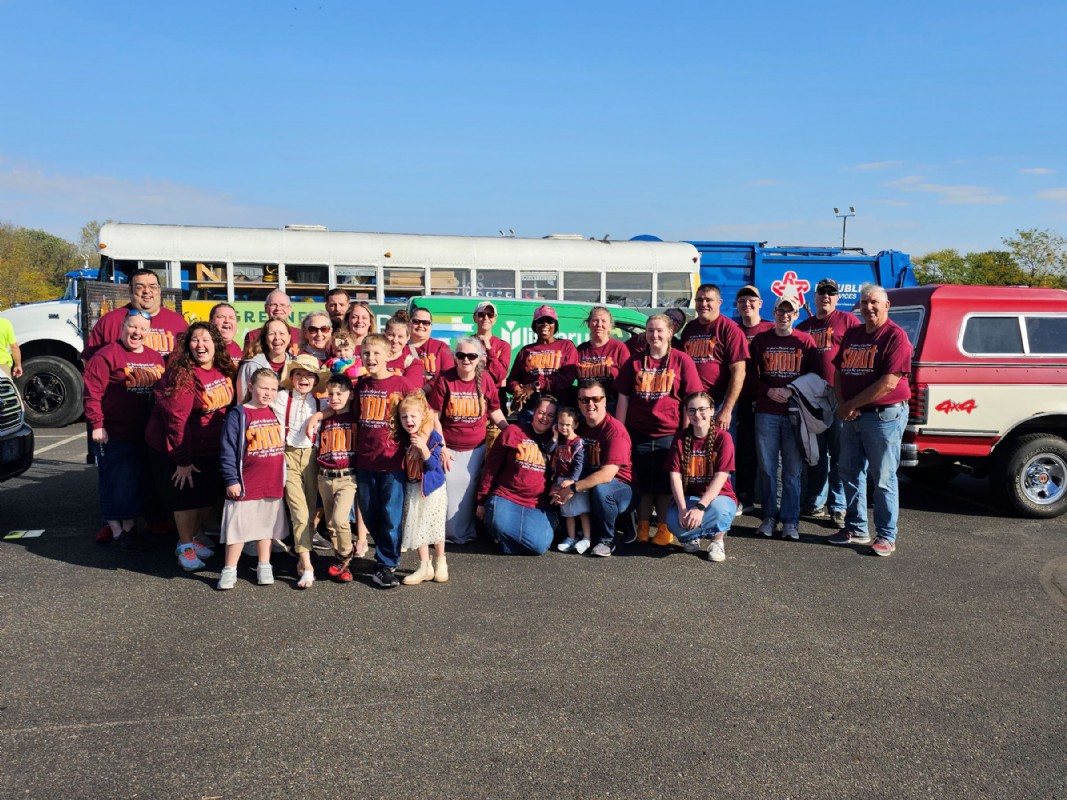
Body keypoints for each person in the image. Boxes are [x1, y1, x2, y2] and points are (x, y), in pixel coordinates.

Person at [828, 284, 913, 556]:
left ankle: (887, 535)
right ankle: (856, 528)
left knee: (884, 478)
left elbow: (889, 383)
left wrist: (850, 405)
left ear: (886, 305)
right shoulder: (853, 333)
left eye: (874, 302)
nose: (869, 308)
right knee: (849, 471)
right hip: (852, 415)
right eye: (864, 303)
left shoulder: (895, 337)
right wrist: (843, 404)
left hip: (883, 416)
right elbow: (840, 371)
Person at [144, 321, 236, 571]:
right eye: (195, 339)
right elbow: (176, 421)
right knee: (186, 500)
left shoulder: (222, 369)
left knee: (206, 498)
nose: (200, 345)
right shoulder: (182, 374)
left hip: (210, 446)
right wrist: (182, 461)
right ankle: (184, 547)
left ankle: (193, 539)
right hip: (179, 448)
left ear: (216, 344)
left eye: (206, 339)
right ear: (188, 345)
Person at [615, 314, 702, 546]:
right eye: (650, 330)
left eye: (660, 330)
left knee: (665, 485)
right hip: (638, 431)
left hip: (670, 433)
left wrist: (685, 433)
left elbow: (689, 399)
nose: (654, 335)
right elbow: (623, 398)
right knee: (642, 483)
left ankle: (663, 528)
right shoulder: (633, 362)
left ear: (670, 332)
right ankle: (642, 526)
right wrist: (620, 433)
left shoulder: (682, 361)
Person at [82, 310, 166, 549]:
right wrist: (97, 424)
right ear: (123, 327)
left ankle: (130, 529)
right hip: (115, 432)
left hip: (146, 433)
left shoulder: (155, 358)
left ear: (149, 332)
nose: (137, 332)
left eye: (142, 329)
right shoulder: (106, 355)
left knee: (136, 482)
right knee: (116, 482)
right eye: (133, 327)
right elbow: (92, 393)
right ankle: (118, 532)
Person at [749, 295, 822, 540]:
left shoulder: (805, 341)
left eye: (790, 312)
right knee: (768, 468)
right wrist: (766, 390)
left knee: (792, 469)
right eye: (781, 310)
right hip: (766, 411)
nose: (785, 316)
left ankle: (791, 521)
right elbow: (749, 375)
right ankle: (769, 517)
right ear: (774, 311)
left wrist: (792, 389)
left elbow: (816, 376)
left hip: (795, 413)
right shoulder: (761, 340)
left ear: (797, 315)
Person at [428, 337, 508, 545]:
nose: (466, 359)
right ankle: (449, 534)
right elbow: (434, 415)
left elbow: (494, 410)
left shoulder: (487, 379)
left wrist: (510, 431)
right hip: (450, 448)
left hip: (476, 449)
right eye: (461, 355)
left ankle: (466, 531)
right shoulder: (446, 379)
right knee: (453, 488)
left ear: (480, 358)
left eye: (471, 356)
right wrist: (442, 446)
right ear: (455, 357)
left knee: (471, 490)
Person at [796, 277, 860, 528]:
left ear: (837, 297)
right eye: (822, 292)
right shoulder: (804, 326)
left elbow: (856, 356)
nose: (826, 296)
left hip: (838, 394)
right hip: (812, 397)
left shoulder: (848, 321)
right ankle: (815, 502)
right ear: (815, 296)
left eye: (831, 293)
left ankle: (839, 505)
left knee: (840, 454)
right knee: (816, 453)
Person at [216, 368, 287, 590]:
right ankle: (229, 569)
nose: (268, 393)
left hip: (271, 481)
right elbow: (227, 449)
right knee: (237, 528)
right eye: (263, 388)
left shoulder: (275, 411)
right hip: (246, 482)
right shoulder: (239, 414)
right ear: (250, 386)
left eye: (273, 389)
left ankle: (264, 565)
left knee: (266, 528)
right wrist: (231, 479)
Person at [352, 333, 413, 587]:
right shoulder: (362, 385)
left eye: (377, 353)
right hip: (366, 461)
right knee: (369, 511)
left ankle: (386, 563)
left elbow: (419, 417)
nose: (371, 357)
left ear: (389, 355)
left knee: (390, 513)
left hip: (393, 463)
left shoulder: (402, 384)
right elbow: (355, 421)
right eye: (366, 353)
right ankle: (387, 551)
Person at [553, 378, 634, 557]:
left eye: (595, 399)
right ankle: (573, 532)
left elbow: (606, 475)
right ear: (579, 404)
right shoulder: (577, 428)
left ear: (604, 401)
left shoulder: (615, 431)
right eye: (584, 400)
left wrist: (572, 488)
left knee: (602, 489)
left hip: (620, 487)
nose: (590, 404)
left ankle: (606, 539)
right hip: (588, 482)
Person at [274, 354, 330, 589]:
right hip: (287, 455)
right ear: (291, 377)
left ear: (316, 379)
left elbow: (340, 408)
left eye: (309, 374)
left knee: (308, 510)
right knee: (298, 510)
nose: (303, 378)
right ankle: (307, 564)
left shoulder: (321, 402)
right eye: (298, 373)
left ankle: (301, 553)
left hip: (312, 458)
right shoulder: (279, 398)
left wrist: (319, 415)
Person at [476, 396, 558, 555]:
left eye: (550, 415)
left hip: (537, 504)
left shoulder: (556, 441)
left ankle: (505, 544)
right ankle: (505, 535)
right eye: (541, 413)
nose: (545, 418)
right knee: (499, 524)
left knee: (539, 547)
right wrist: (481, 500)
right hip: (507, 497)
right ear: (533, 412)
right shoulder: (513, 432)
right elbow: (491, 468)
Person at [666, 392, 738, 562]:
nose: (697, 415)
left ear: (712, 410)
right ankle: (692, 536)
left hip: (720, 498)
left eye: (702, 409)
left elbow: (721, 476)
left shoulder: (723, 438)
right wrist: (683, 509)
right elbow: (674, 476)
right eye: (692, 411)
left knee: (720, 511)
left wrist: (700, 508)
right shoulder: (680, 438)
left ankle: (717, 540)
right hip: (690, 496)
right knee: (673, 521)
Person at [396, 391, 449, 585]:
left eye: (413, 416)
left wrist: (423, 448)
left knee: (435, 526)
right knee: (419, 527)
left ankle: (440, 561)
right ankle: (424, 565)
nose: (408, 420)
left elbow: (434, 465)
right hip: (413, 487)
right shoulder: (403, 437)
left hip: (432, 489)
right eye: (404, 417)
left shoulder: (432, 436)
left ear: (422, 417)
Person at [679, 284, 748, 430]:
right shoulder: (689, 329)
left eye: (708, 300)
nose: (703, 304)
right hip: (692, 403)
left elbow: (739, 372)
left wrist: (727, 410)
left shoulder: (730, 329)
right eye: (699, 300)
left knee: (718, 448)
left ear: (719, 302)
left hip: (718, 404)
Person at [82, 268, 188, 361]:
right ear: (130, 290)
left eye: (153, 286)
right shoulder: (110, 321)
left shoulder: (178, 322)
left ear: (159, 290)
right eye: (139, 287)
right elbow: (89, 361)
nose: (147, 291)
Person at [314, 373, 360, 582]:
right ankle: (343, 565)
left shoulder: (355, 419)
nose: (334, 397)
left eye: (339, 394)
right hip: (324, 476)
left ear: (350, 395)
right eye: (330, 394)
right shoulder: (325, 418)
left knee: (340, 519)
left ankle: (345, 555)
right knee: (332, 525)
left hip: (347, 478)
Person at [734, 285, 774, 514]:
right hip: (739, 398)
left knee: (767, 452)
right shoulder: (733, 330)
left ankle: (769, 500)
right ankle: (744, 496)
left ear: (760, 303)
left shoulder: (769, 328)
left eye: (751, 300)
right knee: (743, 450)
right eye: (742, 301)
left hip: (765, 399)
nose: (746, 304)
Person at [506, 305, 578, 421]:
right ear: (534, 326)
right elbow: (512, 379)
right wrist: (516, 388)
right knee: (527, 439)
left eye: (549, 321)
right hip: (530, 408)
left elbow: (566, 379)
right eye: (540, 321)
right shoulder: (526, 351)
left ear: (555, 325)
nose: (545, 324)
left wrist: (536, 385)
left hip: (558, 407)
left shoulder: (566, 346)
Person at [552, 407, 592, 555]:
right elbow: (550, 450)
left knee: (582, 511)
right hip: (561, 480)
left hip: (577, 481)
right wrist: (555, 435)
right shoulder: (559, 441)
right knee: (567, 511)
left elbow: (579, 464)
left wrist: (572, 480)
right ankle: (571, 537)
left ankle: (587, 538)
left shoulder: (577, 443)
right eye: (561, 424)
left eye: (568, 425)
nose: (564, 427)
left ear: (575, 424)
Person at [472, 301, 511, 451]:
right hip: (472, 413)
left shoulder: (503, 345)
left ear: (495, 319)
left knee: (491, 461)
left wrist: (489, 349)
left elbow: (500, 375)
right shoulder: (467, 343)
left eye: (490, 314)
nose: (485, 318)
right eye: (481, 314)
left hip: (493, 415)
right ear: (475, 318)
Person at [576, 306, 630, 410]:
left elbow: (627, 383)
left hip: (611, 405)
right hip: (586, 406)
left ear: (610, 326)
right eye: (595, 320)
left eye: (603, 321)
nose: (599, 324)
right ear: (589, 324)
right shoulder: (581, 350)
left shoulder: (619, 348)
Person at [236, 318, 292, 401]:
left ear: (289, 337)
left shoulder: (295, 365)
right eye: (271, 334)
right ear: (265, 339)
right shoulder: (251, 366)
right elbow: (243, 401)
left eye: (282, 333)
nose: (277, 337)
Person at [408, 305, 454, 390]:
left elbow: (448, 375)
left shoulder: (441, 347)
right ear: (409, 323)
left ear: (431, 326)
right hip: (407, 399)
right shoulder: (401, 347)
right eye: (416, 321)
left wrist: (425, 390)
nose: (421, 325)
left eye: (426, 322)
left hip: (433, 399)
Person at [384, 310, 425, 391]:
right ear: (384, 334)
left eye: (400, 336)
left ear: (408, 337)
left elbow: (413, 394)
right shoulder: (373, 358)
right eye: (391, 335)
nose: (395, 340)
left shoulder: (412, 363)